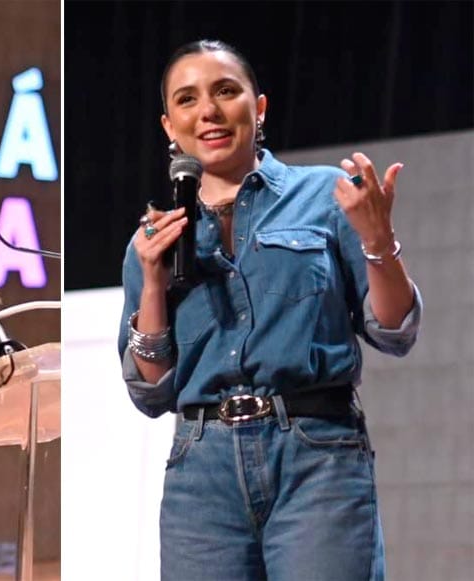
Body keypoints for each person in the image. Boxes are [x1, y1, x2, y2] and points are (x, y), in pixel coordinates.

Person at [118, 39, 422, 581]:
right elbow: (150, 392)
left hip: (317, 455)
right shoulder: (153, 238)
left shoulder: (326, 196)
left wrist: (379, 241)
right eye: (187, 99)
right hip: (201, 473)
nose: (208, 111)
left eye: (225, 91)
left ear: (258, 108)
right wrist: (153, 286)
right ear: (169, 127)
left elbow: (395, 330)